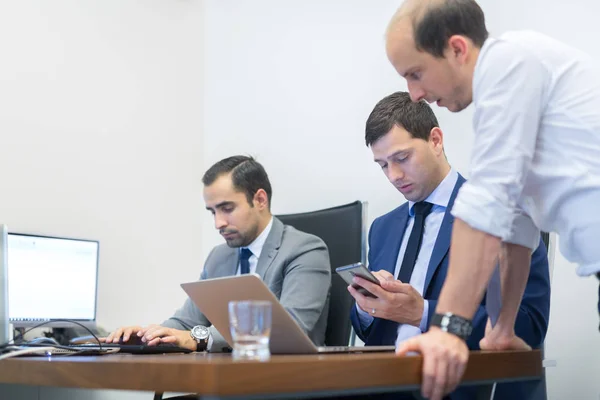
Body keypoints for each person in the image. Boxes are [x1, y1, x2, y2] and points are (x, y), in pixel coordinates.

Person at [384, 0, 600, 399]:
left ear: (457, 50)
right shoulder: (515, 86)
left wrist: (449, 328)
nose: (414, 94)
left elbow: (485, 204)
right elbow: (516, 228)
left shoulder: (509, 62)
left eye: (416, 74)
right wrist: (502, 329)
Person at [348, 91, 550, 399]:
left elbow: (528, 328)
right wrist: (369, 305)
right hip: (383, 384)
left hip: (460, 385)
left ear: (436, 140)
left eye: (402, 158)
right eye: (383, 165)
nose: (394, 175)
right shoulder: (382, 228)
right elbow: (372, 334)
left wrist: (424, 314)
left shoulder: (502, 213)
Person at [105, 155, 331, 351]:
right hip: (227, 379)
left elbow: (290, 327)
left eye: (227, 208)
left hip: (288, 379)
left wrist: (199, 338)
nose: (218, 223)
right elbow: (187, 321)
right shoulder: (219, 257)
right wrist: (148, 336)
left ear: (260, 200)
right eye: (212, 212)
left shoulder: (306, 250)